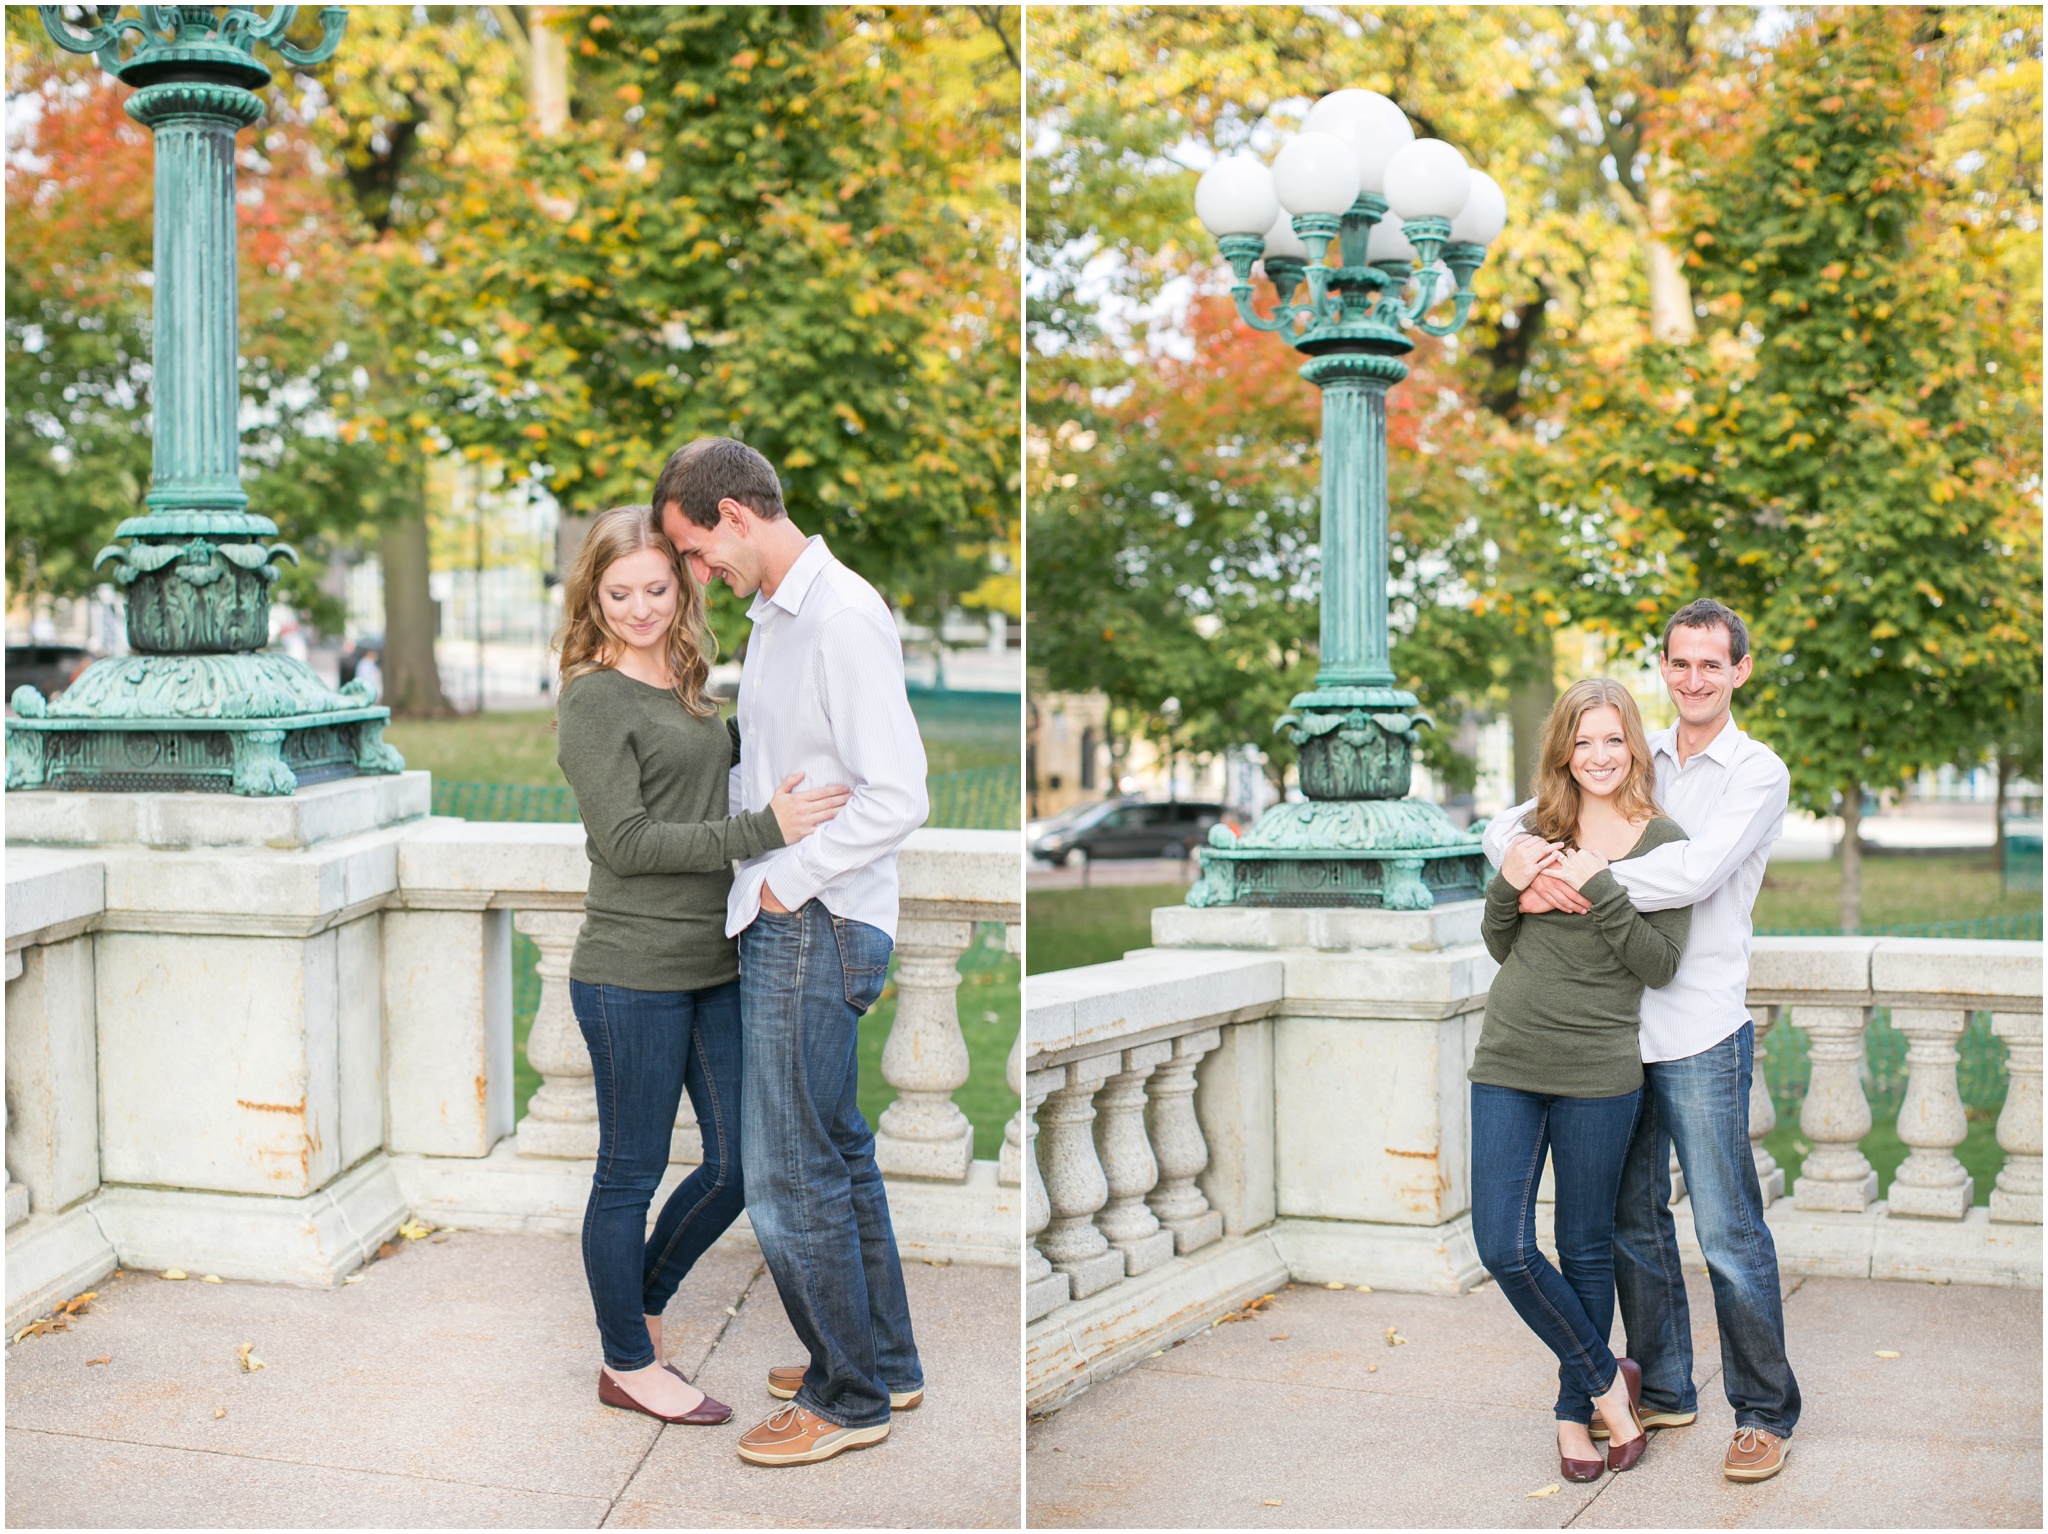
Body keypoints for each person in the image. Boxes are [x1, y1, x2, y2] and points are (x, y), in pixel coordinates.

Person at [654, 438, 931, 1468]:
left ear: (732, 513)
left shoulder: (840, 617)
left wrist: (783, 882)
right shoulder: (782, 617)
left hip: (813, 923)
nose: (696, 573)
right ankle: (884, 1360)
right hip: (801, 917)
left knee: (786, 1173)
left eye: (693, 549)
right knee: (840, 1150)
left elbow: (898, 794)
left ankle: (844, 1392)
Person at [1484, 598, 1800, 1485]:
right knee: (1630, 1225)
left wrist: (1580, 870)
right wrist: (1526, 864)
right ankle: (1663, 1385)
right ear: (1664, 668)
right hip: (1613, 1040)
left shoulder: (1756, 772)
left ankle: (1765, 1413)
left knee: (1730, 1231)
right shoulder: (1632, 749)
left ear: (1740, 670)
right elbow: (1507, 825)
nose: (1693, 679)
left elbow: (1694, 874)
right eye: (1679, 663)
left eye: (1712, 664)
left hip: (1697, 1027)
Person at [553, 505, 850, 1427]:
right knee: (628, 1173)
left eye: (655, 587)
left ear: (680, 584)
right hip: (628, 969)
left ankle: (629, 1313)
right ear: (591, 598)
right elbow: (627, 841)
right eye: (618, 592)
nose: (640, 608)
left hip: (710, 959)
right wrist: (766, 830)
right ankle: (628, 1361)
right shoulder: (595, 698)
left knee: (735, 1163)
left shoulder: (688, 678)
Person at [1472, 677, 1691, 1483]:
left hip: (1601, 1067)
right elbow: (1499, 943)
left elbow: (1660, 967)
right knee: (1501, 1242)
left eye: (1612, 739)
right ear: (1562, 748)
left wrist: (1599, 886)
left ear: (1633, 745)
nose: (1597, 756)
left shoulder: (1665, 840)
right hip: (1510, 1053)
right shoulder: (1535, 828)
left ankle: (1573, 1418)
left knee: (1584, 1246)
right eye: (1582, 740)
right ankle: (1608, 1382)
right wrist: (1511, 887)